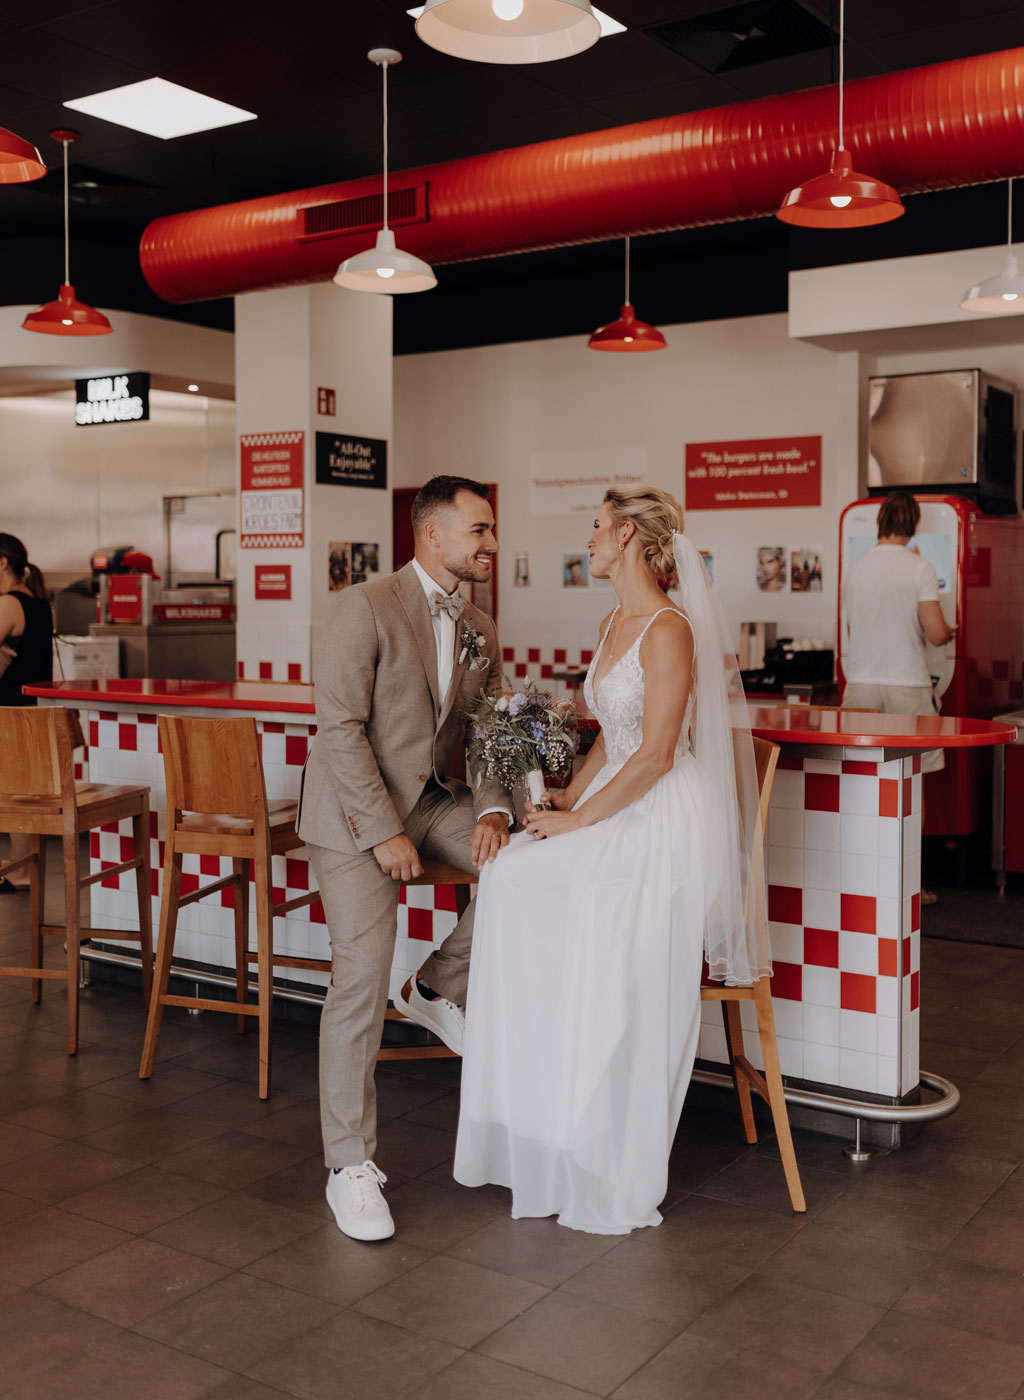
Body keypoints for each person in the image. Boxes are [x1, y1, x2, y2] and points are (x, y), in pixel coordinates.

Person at [454, 486, 769, 1235]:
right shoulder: (611, 621)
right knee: (510, 872)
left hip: (663, 818)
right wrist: (566, 805)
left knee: (583, 905)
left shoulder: (669, 629)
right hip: (616, 801)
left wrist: (583, 820)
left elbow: (658, 754)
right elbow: (607, 744)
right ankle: (542, 1109)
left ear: (626, 535)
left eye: (595, 530)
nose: (587, 542)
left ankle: (595, 1131)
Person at [299, 476, 513, 1242]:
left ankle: (434, 984)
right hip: (352, 811)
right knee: (360, 972)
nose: (491, 543)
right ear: (432, 535)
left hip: (431, 802)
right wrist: (382, 830)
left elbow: (490, 732)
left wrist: (491, 804)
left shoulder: (481, 623)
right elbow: (338, 730)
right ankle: (349, 1165)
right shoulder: (362, 606)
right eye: (480, 530)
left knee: (526, 871)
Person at [841, 490, 955, 902]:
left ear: (881, 521)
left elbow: (854, 631)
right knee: (909, 790)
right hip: (907, 689)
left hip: (861, 688)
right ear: (913, 524)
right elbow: (936, 631)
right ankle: (909, 886)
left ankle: (861, 877)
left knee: (861, 786)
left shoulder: (856, 568)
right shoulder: (920, 567)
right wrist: (950, 630)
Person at [0, 534, 54, 890]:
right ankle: (21, 866)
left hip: (10, 713)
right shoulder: (38, 603)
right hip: (32, 713)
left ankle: (20, 870)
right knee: (21, 793)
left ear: (2, 562)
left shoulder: (8, 603)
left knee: (13, 793)